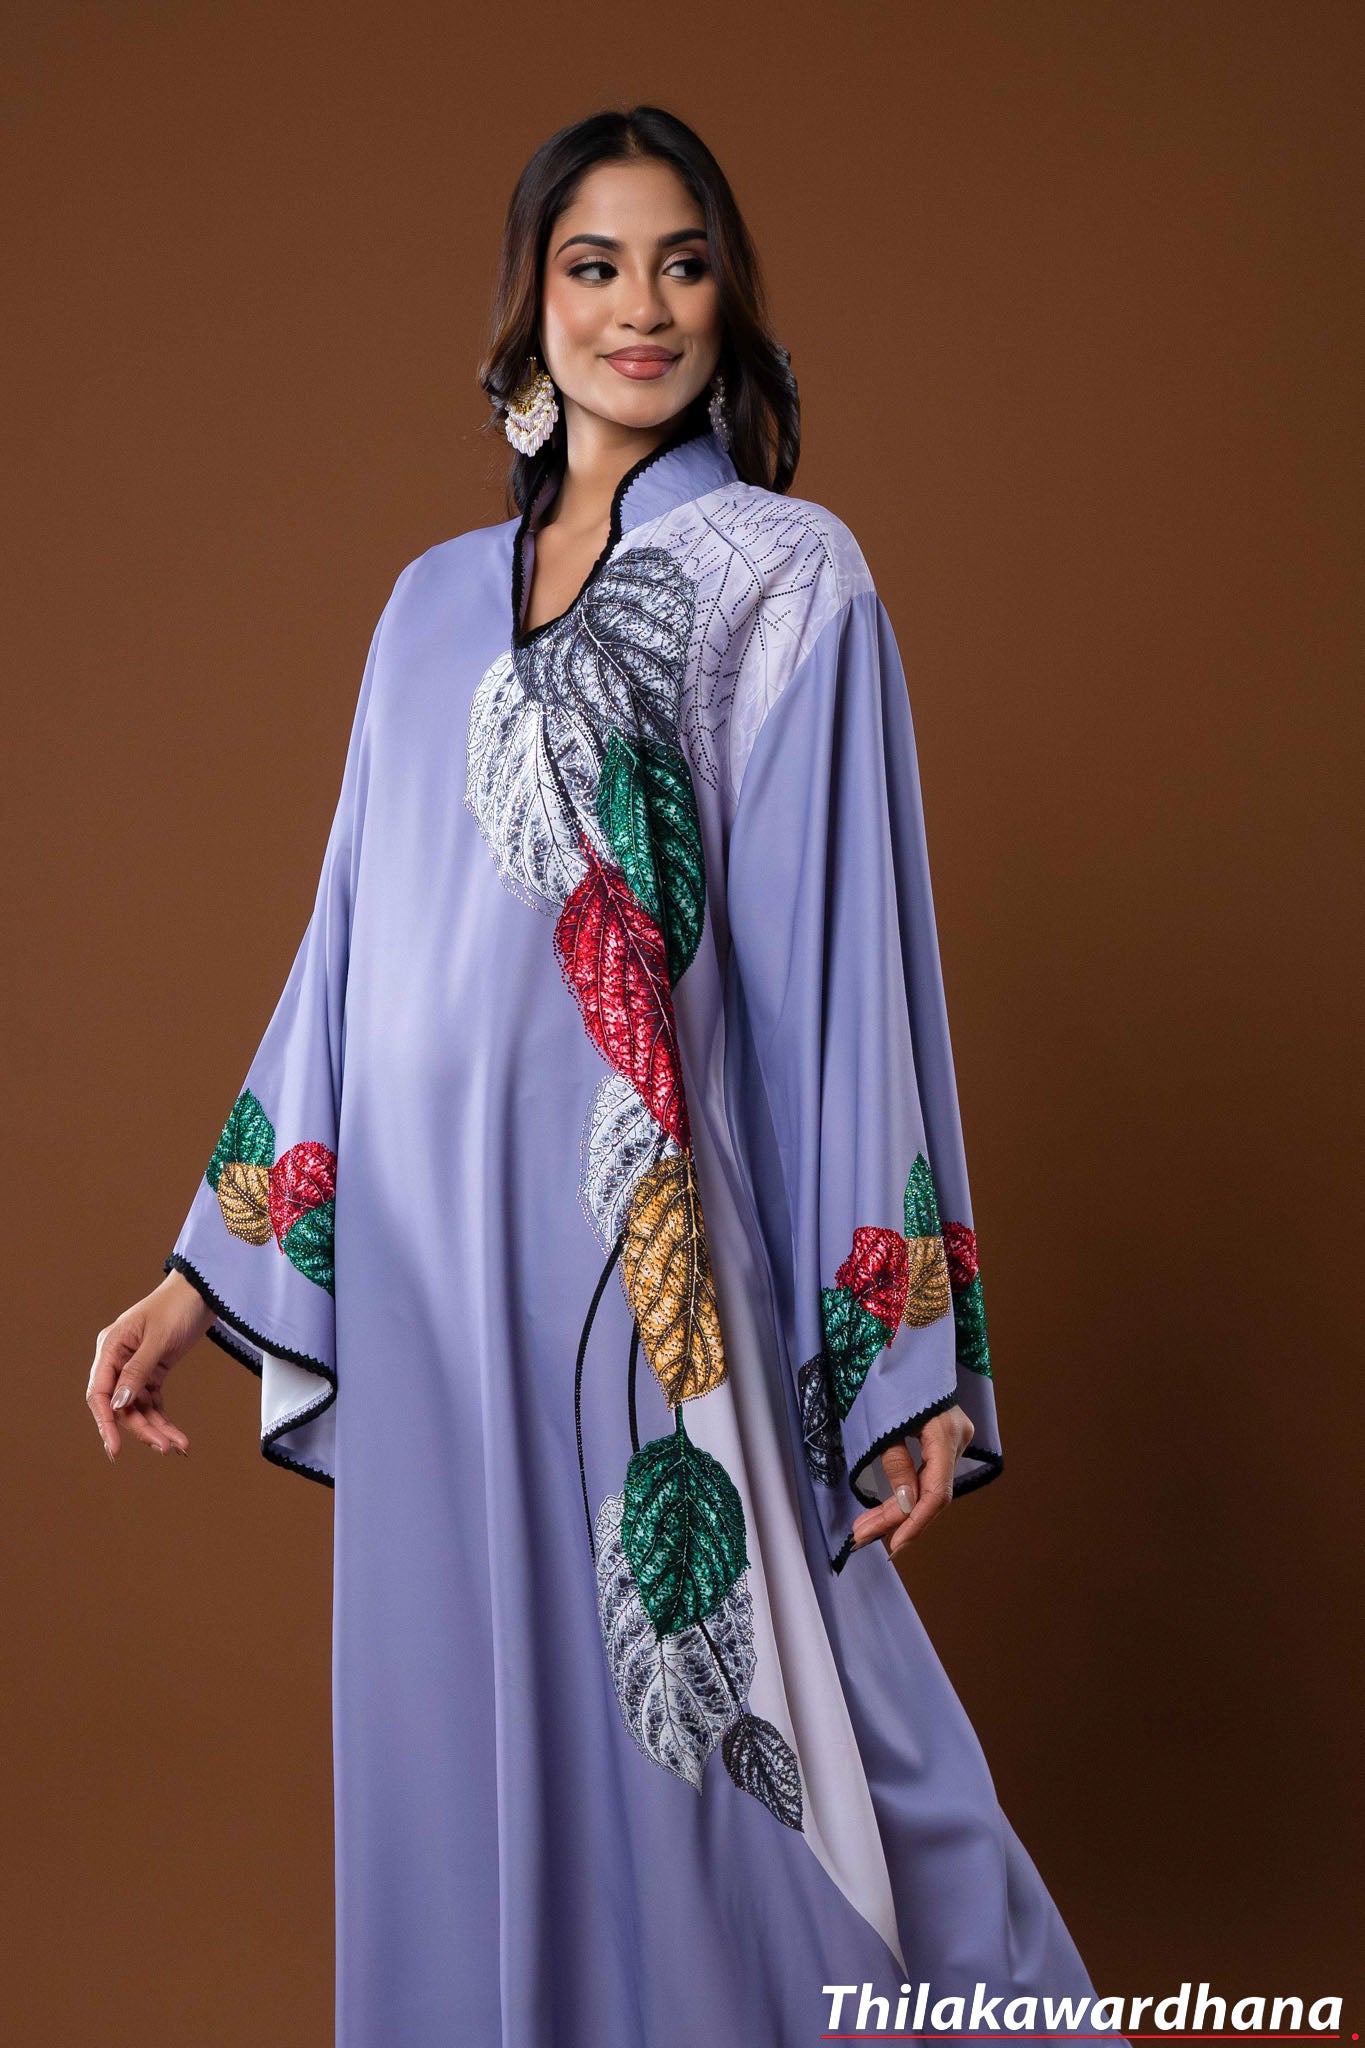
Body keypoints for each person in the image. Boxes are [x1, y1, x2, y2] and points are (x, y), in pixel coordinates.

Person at [86, 104, 1118, 2048]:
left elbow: (838, 965)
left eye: (679, 263)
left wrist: (895, 1339)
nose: (637, 306)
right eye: (592, 265)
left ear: (727, 305)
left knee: (773, 1736)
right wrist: (199, 1277)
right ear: (529, 307)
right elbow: (345, 951)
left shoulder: (783, 578)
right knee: (461, 1747)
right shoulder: (421, 608)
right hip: (423, 1282)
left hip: (634, 1271)